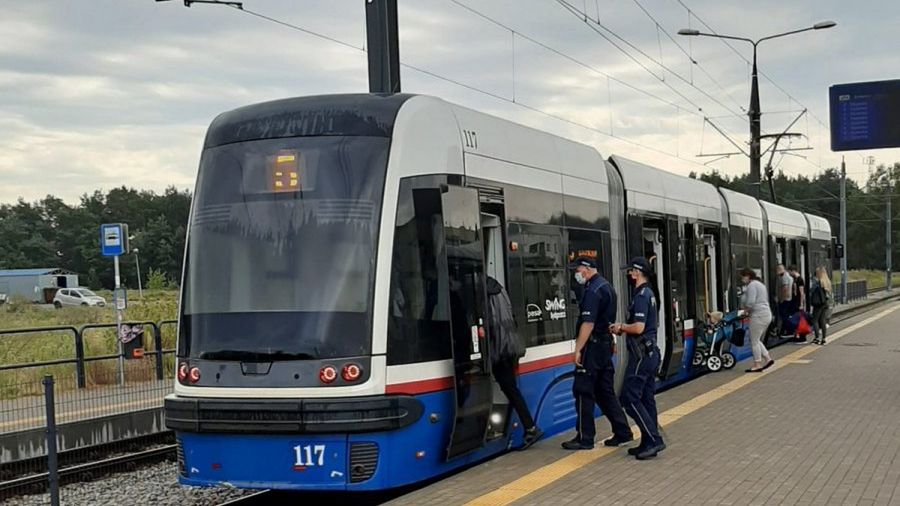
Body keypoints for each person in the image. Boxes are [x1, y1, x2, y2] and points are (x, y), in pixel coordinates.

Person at [561, 257, 632, 451]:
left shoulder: (592, 290)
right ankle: (623, 431)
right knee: (605, 391)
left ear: (587, 269)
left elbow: (588, 323)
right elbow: (608, 319)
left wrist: (577, 349)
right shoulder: (607, 287)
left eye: (578, 269)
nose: (576, 273)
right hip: (605, 346)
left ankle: (585, 438)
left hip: (592, 349)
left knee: (583, 391)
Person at [609, 257, 665, 460]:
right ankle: (649, 439)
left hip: (641, 355)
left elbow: (639, 327)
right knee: (646, 398)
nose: (628, 274)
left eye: (631, 270)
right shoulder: (649, 293)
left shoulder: (641, 295)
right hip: (650, 353)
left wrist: (621, 327)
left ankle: (654, 439)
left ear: (638, 272)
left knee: (629, 398)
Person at [485, 276, 543, 450]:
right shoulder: (498, 289)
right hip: (508, 346)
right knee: (510, 388)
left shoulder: (483, 291)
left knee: (509, 388)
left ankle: (530, 427)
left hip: (499, 350)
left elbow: (489, 324)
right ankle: (530, 427)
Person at [740, 268, 776, 372]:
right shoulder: (760, 284)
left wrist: (745, 311)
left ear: (747, 276)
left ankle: (757, 363)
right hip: (766, 314)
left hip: (758, 315)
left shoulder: (751, 286)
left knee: (753, 341)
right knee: (757, 339)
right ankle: (768, 358)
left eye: (743, 277)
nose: (742, 279)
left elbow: (751, 302)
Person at [808, 266, 833, 345]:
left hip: (818, 303)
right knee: (823, 320)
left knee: (815, 320)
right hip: (825, 303)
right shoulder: (827, 282)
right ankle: (824, 339)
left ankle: (816, 338)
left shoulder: (818, 282)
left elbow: (811, 291)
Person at [789, 265, 807, 343]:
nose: (789, 273)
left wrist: (801, 304)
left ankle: (802, 337)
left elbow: (802, 292)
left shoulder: (800, 280)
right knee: (796, 319)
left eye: (790, 272)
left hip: (798, 303)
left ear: (793, 271)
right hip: (795, 302)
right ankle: (797, 335)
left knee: (800, 320)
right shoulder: (795, 279)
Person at [775, 264, 794, 337]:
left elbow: (785, 288)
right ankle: (784, 331)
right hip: (788, 299)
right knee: (785, 316)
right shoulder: (787, 276)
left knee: (784, 316)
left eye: (778, 269)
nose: (777, 271)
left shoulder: (784, 277)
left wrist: (781, 299)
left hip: (785, 299)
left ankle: (790, 330)